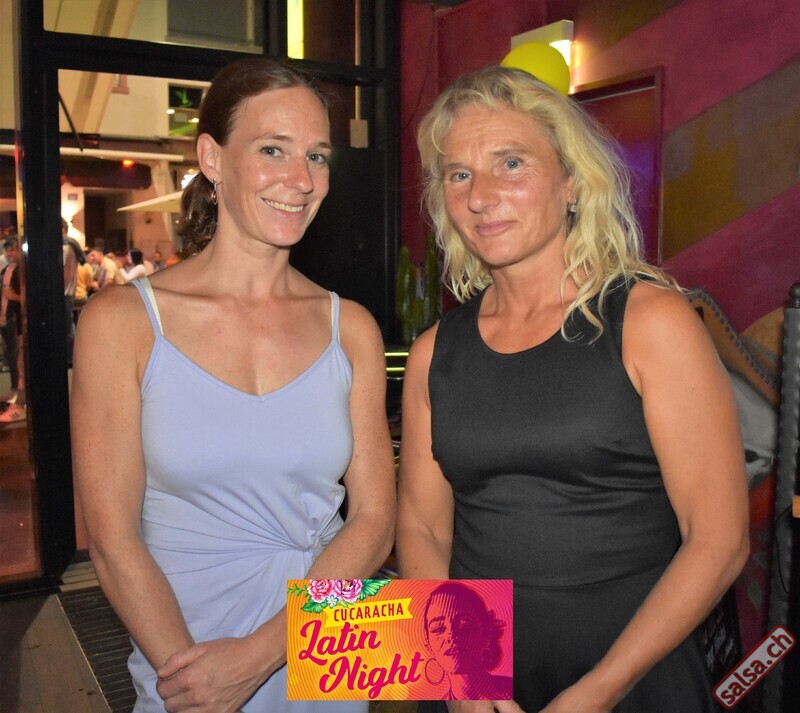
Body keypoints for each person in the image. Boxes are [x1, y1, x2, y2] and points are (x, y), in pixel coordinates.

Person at [397, 65, 749, 713]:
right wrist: (460, 675)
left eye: (511, 163)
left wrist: (600, 690)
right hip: (476, 678)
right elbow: (422, 528)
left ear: (571, 183)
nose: (480, 196)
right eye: (458, 174)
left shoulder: (651, 321)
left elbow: (719, 540)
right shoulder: (433, 352)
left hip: (628, 675)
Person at [71, 56, 395, 713]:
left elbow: (373, 520)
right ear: (212, 158)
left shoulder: (352, 328)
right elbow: (111, 541)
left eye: (317, 155)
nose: (301, 179)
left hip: (329, 647)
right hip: (187, 658)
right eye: (273, 149)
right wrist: (199, 684)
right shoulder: (124, 323)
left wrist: (258, 656)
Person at [423, 582, 513, 702]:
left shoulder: (518, 691)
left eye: (464, 625)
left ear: (486, 634)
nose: (451, 635)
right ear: (429, 646)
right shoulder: (434, 706)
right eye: (438, 629)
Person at [0, 235, 25, 422]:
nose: (9, 253)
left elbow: (27, 297)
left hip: (18, 320)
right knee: (12, 355)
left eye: (13, 250)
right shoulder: (8, 269)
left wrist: (12, 296)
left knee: (18, 358)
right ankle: (15, 391)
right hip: (8, 317)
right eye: (7, 250)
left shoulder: (22, 270)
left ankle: (20, 400)